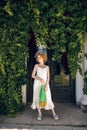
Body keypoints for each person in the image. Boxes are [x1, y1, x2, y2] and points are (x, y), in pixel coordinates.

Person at [31, 51, 59, 121]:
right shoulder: (36, 66)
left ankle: (54, 113)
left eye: (39, 58)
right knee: (37, 97)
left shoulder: (47, 67)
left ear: (43, 58)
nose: (38, 59)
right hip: (37, 84)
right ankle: (40, 114)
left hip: (45, 84)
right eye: (38, 58)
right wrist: (40, 78)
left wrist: (46, 85)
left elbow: (48, 77)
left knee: (48, 97)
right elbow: (33, 75)